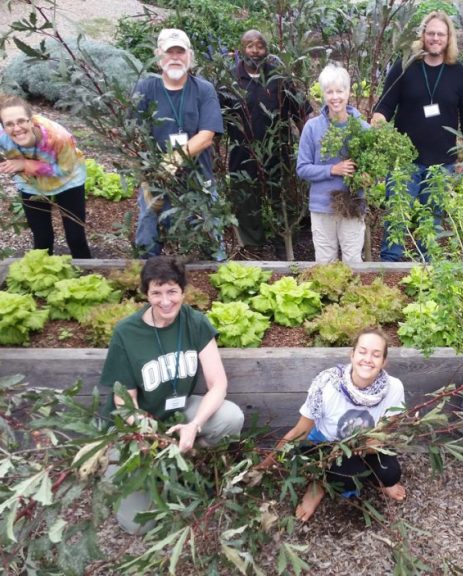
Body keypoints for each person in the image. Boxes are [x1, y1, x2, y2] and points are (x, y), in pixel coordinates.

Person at [98, 255, 244, 534]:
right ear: (146, 294)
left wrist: (195, 425)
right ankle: (135, 468)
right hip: (135, 427)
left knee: (230, 417)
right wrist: (152, 438)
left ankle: (182, 462)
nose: (165, 301)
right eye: (157, 293)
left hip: (178, 413)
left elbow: (218, 384)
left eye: (172, 291)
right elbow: (125, 404)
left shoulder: (195, 322)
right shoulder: (127, 333)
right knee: (139, 525)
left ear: (183, 291)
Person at [260, 328, 406, 522]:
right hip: (327, 445)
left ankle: (377, 480)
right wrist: (265, 465)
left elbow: (386, 431)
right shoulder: (327, 385)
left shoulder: (393, 387)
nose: (368, 359)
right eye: (362, 352)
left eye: (376, 355)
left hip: (365, 445)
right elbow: (299, 432)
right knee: (348, 476)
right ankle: (318, 485)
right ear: (352, 354)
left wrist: (372, 445)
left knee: (390, 474)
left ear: (384, 361)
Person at [372, 10, 463, 262]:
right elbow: (385, 106)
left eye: (441, 34)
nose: (435, 38)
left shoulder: (460, 74)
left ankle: (428, 272)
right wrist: (378, 122)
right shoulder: (405, 66)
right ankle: (389, 268)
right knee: (397, 219)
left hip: (442, 165)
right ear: (423, 35)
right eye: (431, 33)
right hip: (404, 163)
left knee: (431, 224)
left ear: (448, 38)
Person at [133, 28, 225, 260]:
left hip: (199, 180)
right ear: (158, 56)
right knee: (147, 243)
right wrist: (149, 174)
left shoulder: (204, 89)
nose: (175, 57)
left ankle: (216, 271)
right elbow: (134, 133)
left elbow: (206, 135)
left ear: (190, 56)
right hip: (156, 181)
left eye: (180, 52)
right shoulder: (145, 88)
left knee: (212, 244)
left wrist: (173, 159)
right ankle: (147, 275)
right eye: (169, 52)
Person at [221, 30, 311, 255]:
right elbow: (218, 120)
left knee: (283, 201)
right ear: (241, 49)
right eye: (250, 46)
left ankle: (286, 247)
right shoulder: (229, 81)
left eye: (260, 46)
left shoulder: (280, 79)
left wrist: (309, 145)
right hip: (242, 156)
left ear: (267, 50)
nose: (255, 51)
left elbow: (302, 114)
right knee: (245, 203)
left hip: (278, 154)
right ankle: (252, 249)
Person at [0, 95, 92, 258]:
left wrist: (25, 165)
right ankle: (43, 271)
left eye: (21, 121)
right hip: (31, 183)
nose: (16, 128)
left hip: (68, 181)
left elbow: (66, 169)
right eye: (9, 124)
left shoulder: (59, 137)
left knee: (75, 237)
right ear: (2, 127)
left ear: (31, 121)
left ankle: (86, 270)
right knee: (42, 238)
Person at [296, 63, 369, 263]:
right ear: (323, 95)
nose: (335, 97)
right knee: (325, 262)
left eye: (340, 91)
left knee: (353, 261)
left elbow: (372, 169)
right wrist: (333, 169)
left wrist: (368, 177)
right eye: (329, 92)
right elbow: (302, 168)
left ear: (348, 92)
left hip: (352, 204)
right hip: (322, 206)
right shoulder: (312, 128)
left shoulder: (363, 129)